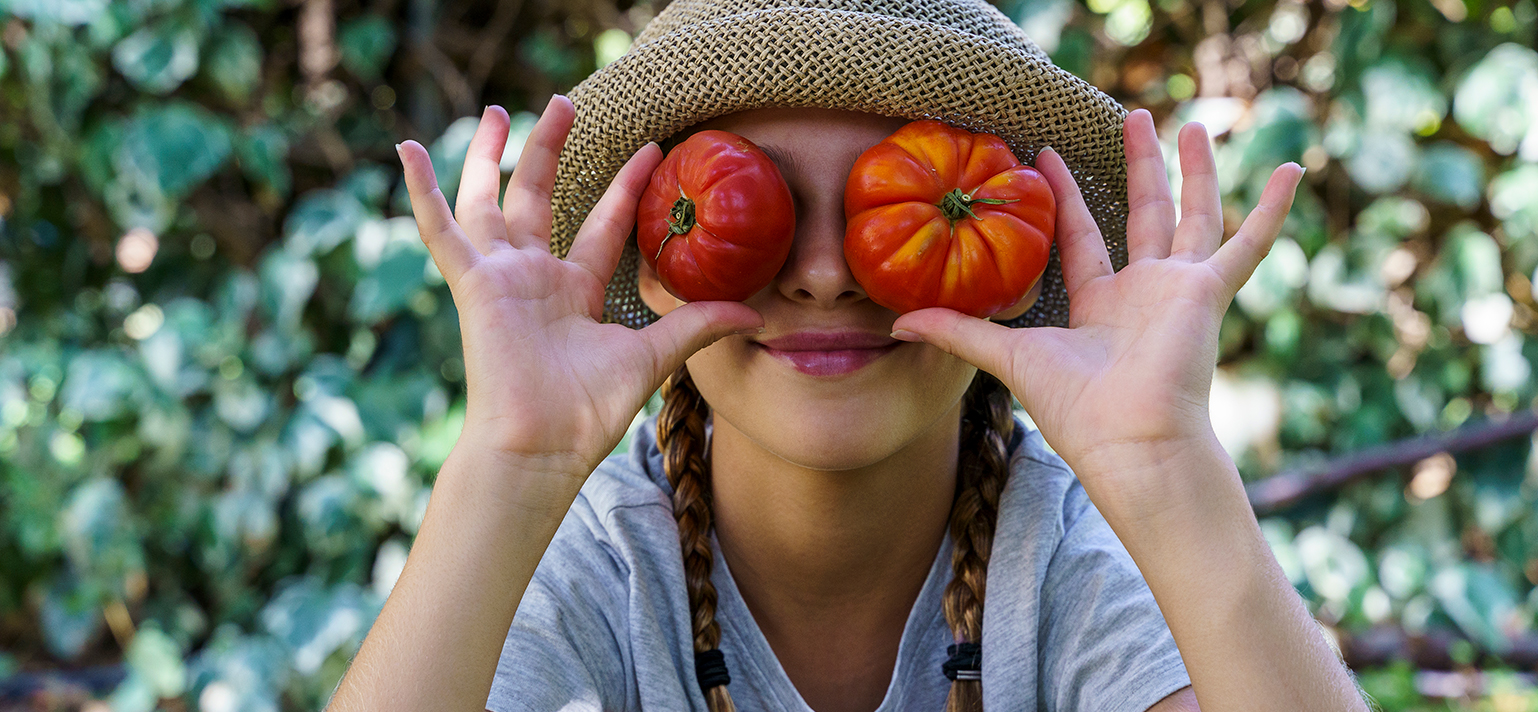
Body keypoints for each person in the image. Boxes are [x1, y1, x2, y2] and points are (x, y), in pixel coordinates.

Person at [328, 1, 1369, 710]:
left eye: (904, 204)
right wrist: (507, 464)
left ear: (1012, 272)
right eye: (759, 208)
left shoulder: (1073, 569)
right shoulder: (594, 573)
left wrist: (1166, 466)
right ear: (650, 271)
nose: (827, 274)